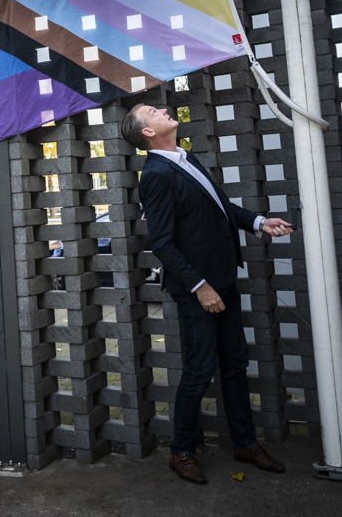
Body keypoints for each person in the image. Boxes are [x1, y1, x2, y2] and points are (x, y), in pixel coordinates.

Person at [121, 102, 292, 485]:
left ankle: (245, 444)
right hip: (199, 288)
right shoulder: (155, 175)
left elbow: (220, 207)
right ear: (147, 132)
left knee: (235, 364)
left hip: (224, 281)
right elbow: (162, 243)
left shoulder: (186, 158)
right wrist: (200, 287)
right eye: (153, 110)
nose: (164, 108)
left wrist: (261, 222)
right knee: (199, 370)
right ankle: (181, 451)